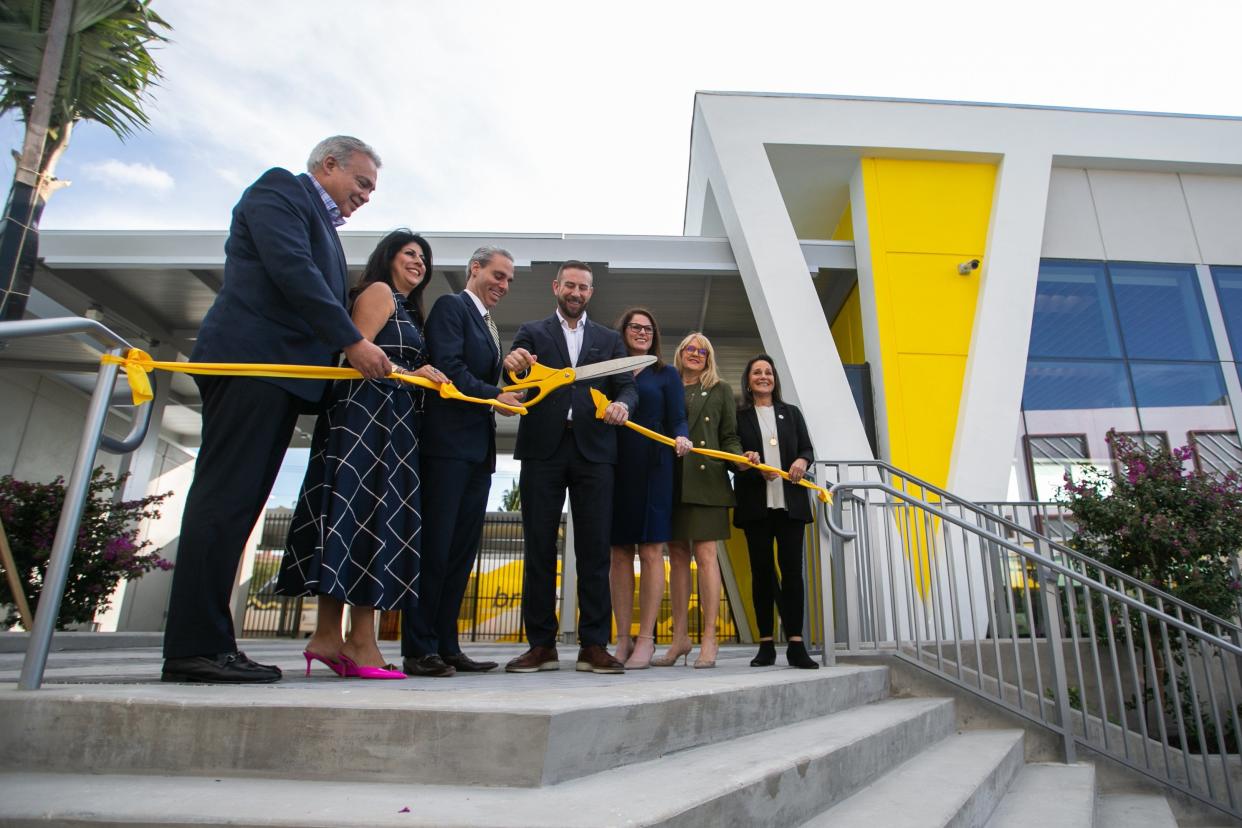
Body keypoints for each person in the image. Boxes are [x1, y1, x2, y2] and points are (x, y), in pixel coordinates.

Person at [162, 136, 389, 683]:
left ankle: (211, 643)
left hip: (279, 379)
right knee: (224, 502)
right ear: (328, 165)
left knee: (240, 507)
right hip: (252, 367)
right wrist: (352, 342)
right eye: (361, 182)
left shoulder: (327, 232)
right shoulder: (280, 190)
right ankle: (195, 646)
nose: (366, 196)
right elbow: (291, 271)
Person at [274, 230, 446, 680]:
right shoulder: (378, 292)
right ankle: (358, 643)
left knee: (362, 522)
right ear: (387, 257)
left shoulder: (409, 309)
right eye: (410, 253)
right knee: (360, 517)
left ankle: (332, 638)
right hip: (365, 420)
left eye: (423, 258)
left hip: (393, 423)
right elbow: (358, 356)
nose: (419, 262)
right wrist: (414, 371)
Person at [503, 261, 638, 674]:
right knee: (538, 547)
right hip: (543, 449)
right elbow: (511, 376)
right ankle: (541, 645)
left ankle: (594, 645)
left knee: (596, 549)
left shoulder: (608, 339)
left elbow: (627, 385)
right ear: (556, 287)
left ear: (591, 293)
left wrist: (623, 405)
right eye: (570, 285)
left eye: (583, 287)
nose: (576, 292)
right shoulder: (532, 332)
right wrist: (511, 367)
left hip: (594, 452)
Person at [400, 246, 524, 677]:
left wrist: (507, 381)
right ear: (475, 269)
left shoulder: (489, 326)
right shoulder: (452, 308)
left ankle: (447, 644)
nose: (503, 285)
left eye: (509, 279)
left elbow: (480, 375)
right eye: (498, 275)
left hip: (476, 452)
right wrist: (495, 396)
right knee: (435, 548)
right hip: (447, 448)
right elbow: (449, 367)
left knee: (460, 552)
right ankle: (419, 647)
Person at [608, 309, 691, 669]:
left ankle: (646, 640)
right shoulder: (610, 370)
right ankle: (623, 639)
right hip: (616, 465)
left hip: (656, 466)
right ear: (623, 331)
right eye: (635, 327)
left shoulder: (666, 374)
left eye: (648, 328)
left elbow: (678, 418)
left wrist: (683, 436)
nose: (642, 332)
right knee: (619, 552)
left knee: (653, 551)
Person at [654, 332, 741, 670]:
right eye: (689, 348)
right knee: (676, 556)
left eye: (702, 350)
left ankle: (709, 636)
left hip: (707, 481)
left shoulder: (720, 390)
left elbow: (729, 435)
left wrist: (738, 459)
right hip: (671, 478)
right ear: (680, 353)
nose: (695, 353)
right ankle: (680, 637)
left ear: (709, 357)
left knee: (706, 556)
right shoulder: (667, 383)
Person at [735, 355, 819, 670]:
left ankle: (796, 643)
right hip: (756, 504)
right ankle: (766, 643)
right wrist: (746, 461)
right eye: (757, 372)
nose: (763, 376)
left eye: (768, 372)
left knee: (792, 573)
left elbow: (807, 448)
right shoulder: (739, 414)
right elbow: (732, 455)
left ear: (774, 379)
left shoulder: (791, 413)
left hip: (790, 505)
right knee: (762, 574)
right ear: (748, 380)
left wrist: (802, 462)